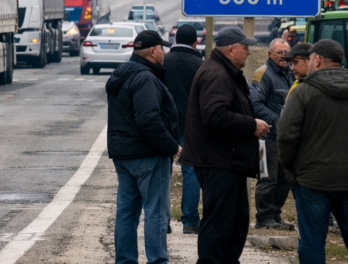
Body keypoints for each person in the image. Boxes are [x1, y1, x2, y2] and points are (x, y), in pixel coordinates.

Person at [277, 39, 348, 264]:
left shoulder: (303, 91)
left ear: (316, 60)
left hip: (312, 180)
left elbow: (286, 135)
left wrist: (291, 168)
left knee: (312, 242)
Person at [183, 26, 265, 264]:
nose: (249, 53)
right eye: (245, 47)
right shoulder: (217, 74)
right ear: (231, 49)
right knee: (219, 226)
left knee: (235, 224)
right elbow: (214, 115)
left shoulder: (224, 71)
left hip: (228, 161)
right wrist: (251, 125)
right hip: (218, 161)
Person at [106, 30, 180, 264]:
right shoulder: (146, 78)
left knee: (126, 213)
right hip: (148, 155)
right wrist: (172, 147)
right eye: (161, 49)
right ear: (152, 51)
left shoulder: (123, 74)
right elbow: (148, 120)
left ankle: (125, 260)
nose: (164, 53)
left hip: (124, 154)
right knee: (156, 213)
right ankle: (157, 261)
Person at [163, 24, 204, 234]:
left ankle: (163, 220)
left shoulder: (163, 61)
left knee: (163, 171)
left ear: (175, 39)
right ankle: (190, 221)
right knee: (191, 171)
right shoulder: (200, 63)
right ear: (195, 42)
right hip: (191, 125)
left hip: (166, 125)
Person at [251, 38, 294, 230]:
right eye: (280, 53)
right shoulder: (262, 74)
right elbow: (256, 104)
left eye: (287, 53)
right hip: (266, 137)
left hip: (286, 139)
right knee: (267, 178)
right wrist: (278, 121)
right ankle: (264, 217)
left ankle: (276, 214)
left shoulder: (291, 74)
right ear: (270, 54)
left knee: (285, 179)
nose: (284, 57)